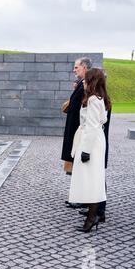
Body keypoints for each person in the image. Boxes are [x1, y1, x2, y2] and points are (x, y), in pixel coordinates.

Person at [68, 68, 111, 232]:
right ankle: (93, 216)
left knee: (92, 180)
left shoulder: (93, 99)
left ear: (92, 81)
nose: (83, 82)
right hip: (95, 140)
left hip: (91, 142)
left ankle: (92, 218)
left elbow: (92, 126)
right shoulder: (99, 98)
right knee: (94, 178)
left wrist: (85, 150)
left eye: (86, 80)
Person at [61, 58, 91, 209]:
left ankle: (85, 199)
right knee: (75, 166)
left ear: (84, 68)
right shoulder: (81, 83)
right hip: (74, 128)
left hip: (78, 130)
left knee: (80, 166)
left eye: (76, 67)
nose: (74, 70)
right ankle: (79, 197)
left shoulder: (87, 85)